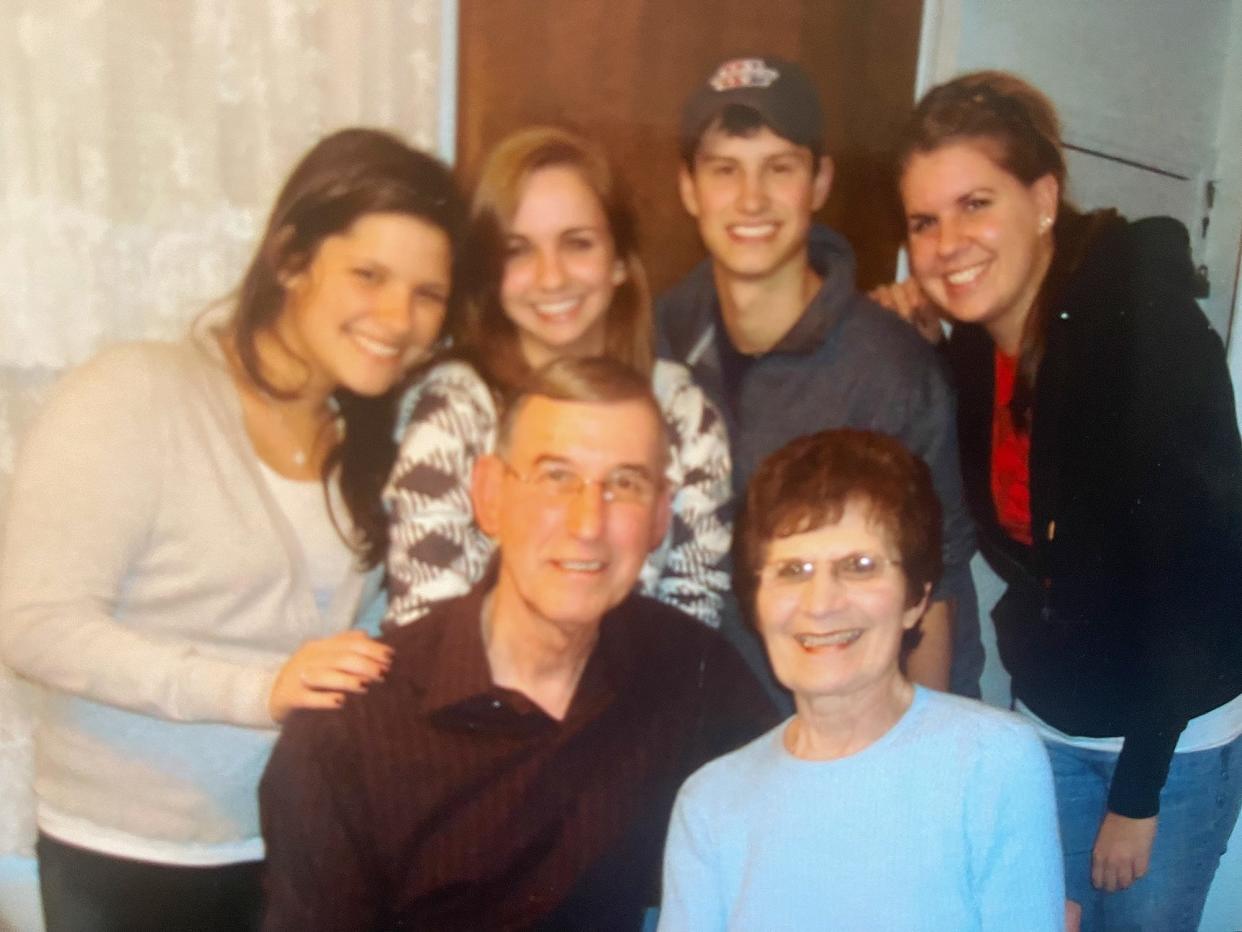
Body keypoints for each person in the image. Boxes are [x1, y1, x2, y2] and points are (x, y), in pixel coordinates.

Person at [0, 128, 467, 931]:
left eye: (428, 293)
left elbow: (353, 644)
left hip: (293, 843)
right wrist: (253, 692)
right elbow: (32, 624)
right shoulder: (136, 393)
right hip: (126, 856)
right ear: (290, 258)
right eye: (369, 275)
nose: (400, 317)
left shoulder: (376, 441)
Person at [877, 70, 1242, 930]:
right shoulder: (969, 352)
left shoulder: (1141, 329)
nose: (948, 243)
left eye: (975, 204)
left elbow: (1205, 577)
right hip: (1045, 722)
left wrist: (1139, 792)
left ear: (1043, 199)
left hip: (1168, 740)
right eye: (924, 221)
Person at [260, 356, 776, 930]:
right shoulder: (349, 732)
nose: (588, 523)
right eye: (556, 476)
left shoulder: (690, 672)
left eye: (624, 484)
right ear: (489, 496)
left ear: (660, 517)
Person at [656, 55, 981, 698]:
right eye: (725, 170)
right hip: (688, 738)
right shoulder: (654, 340)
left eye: (779, 168)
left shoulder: (889, 368)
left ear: (820, 180)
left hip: (840, 734)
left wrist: (915, 763)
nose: (751, 200)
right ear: (690, 187)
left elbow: (936, 588)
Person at [658, 428, 1064, 930]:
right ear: (755, 605)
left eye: (859, 565)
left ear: (916, 599)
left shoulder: (993, 762)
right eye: (792, 570)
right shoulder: (709, 806)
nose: (822, 603)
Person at [382, 126, 732, 629]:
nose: (551, 277)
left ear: (618, 264)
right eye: (518, 250)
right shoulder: (454, 411)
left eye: (578, 244)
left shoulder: (682, 414)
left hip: (637, 697)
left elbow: (691, 625)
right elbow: (426, 628)